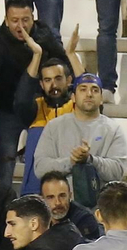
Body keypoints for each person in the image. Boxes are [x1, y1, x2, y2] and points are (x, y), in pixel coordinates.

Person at [0, 0, 69, 188]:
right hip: (6, 110)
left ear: (33, 18)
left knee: (44, 162)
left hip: (38, 109)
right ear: (6, 20)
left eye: (25, 19)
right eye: (15, 20)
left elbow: (64, 64)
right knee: (4, 165)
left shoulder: (44, 35)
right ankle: (2, 211)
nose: (21, 26)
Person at [33, 74, 127, 208]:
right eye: (83, 89)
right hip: (61, 207)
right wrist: (71, 162)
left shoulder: (114, 129)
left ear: (102, 98)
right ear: (73, 97)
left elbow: (117, 171)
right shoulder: (54, 126)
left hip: (100, 208)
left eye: (95, 90)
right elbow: (40, 168)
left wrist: (91, 160)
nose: (89, 94)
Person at [16, 55, 82, 196]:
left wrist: (70, 53)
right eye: (47, 80)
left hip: (71, 189)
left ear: (69, 80)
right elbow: (21, 100)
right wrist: (36, 55)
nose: (53, 85)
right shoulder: (36, 107)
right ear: (41, 84)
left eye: (58, 79)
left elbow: (88, 90)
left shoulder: (78, 108)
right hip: (36, 189)